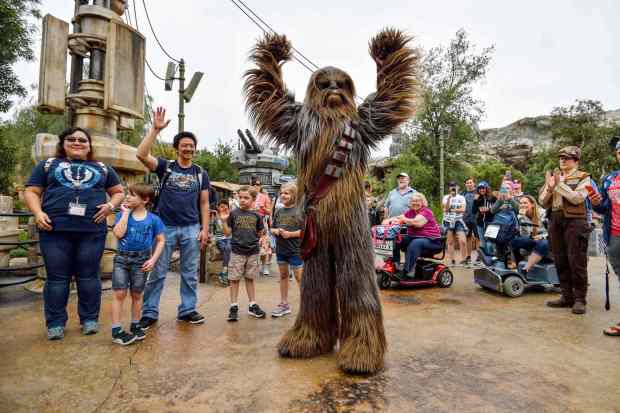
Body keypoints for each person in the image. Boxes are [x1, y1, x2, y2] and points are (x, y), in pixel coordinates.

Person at [24, 127, 124, 340]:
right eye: (72, 139)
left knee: (89, 276)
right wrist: (38, 212)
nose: (77, 142)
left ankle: (89, 319)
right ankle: (55, 323)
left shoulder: (102, 167)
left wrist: (110, 206)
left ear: (89, 146)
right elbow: (32, 191)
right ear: (63, 144)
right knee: (57, 278)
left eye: (82, 140)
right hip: (54, 230)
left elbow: (118, 192)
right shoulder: (48, 165)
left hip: (91, 231)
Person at [135, 107, 210, 329]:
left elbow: (205, 203)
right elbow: (140, 154)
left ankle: (187, 310)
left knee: (189, 273)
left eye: (192, 146)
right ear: (176, 148)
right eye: (184, 145)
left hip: (191, 228)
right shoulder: (165, 167)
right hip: (164, 227)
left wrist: (204, 229)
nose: (188, 148)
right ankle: (149, 312)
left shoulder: (200, 173)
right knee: (157, 272)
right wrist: (155, 130)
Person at [539, 146, 592, 315]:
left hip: (575, 221)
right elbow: (541, 201)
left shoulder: (584, 177)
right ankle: (566, 296)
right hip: (555, 219)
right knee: (560, 259)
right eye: (561, 157)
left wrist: (559, 185)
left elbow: (577, 198)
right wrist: (550, 187)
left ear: (576, 161)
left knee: (576, 261)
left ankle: (579, 299)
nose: (562, 160)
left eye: (567, 158)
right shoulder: (554, 176)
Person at [110, 184, 165, 345]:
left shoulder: (154, 219)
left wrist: (153, 259)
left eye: (132, 195)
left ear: (145, 200)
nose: (127, 197)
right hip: (122, 259)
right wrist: (126, 214)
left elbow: (161, 240)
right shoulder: (121, 215)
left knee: (137, 294)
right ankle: (116, 330)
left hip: (141, 260)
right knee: (119, 293)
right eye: (127, 194)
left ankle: (135, 324)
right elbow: (118, 234)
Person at [220, 186, 267, 321]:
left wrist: (262, 238)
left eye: (246, 198)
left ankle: (252, 305)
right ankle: (233, 306)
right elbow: (227, 233)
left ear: (253, 199)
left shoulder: (257, 215)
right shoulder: (234, 214)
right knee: (234, 279)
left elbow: (260, 233)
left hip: (253, 252)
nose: (242, 200)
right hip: (237, 252)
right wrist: (223, 221)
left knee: (250, 278)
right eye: (240, 197)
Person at [589, 139, 620, 335]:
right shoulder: (610, 179)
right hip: (615, 235)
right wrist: (595, 202)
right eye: (619, 152)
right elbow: (603, 207)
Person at [270, 183, 304, 317]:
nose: (283, 195)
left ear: (294, 195)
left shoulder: (299, 211)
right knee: (283, 276)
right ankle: (284, 304)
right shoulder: (279, 211)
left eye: (286, 193)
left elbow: (305, 232)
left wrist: (291, 234)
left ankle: (306, 305)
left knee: (299, 278)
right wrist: (276, 231)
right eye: (282, 193)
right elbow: (271, 228)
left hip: (295, 250)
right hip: (281, 250)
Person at [391, 193, 442, 277]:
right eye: (413, 201)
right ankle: (395, 264)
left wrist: (404, 219)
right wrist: (387, 220)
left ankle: (407, 271)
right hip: (414, 238)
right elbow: (399, 217)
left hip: (432, 241)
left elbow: (417, 223)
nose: (415, 203)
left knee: (415, 243)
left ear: (422, 202)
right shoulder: (411, 212)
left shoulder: (426, 212)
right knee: (397, 238)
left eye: (417, 201)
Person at [511, 195, 549, 274]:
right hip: (532, 239)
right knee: (514, 241)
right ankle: (518, 265)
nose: (522, 205)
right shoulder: (521, 216)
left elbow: (552, 231)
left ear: (532, 204)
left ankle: (526, 268)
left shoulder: (542, 213)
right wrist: (522, 218)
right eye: (521, 203)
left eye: (525, 203)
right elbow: (524, 235)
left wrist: (541, 236)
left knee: (543, 243)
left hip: (546, 239)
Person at [442, 181, 467, 265]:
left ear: (458, 187)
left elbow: (463, 210)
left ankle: (464, 259)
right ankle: (452, 260)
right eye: (451, 186)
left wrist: (451, 210)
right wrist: (449, 199)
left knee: (462, 241)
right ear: (449, 188)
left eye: (454, 186)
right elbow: (445, 208)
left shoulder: (461, 197)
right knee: (450, 242)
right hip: (448, 221)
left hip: (458, 221)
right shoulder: (446, 197)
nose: (453, 187)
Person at [252, 178, 273, 276]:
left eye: (258, 184)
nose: (256, 186)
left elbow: (269, 211)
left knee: (264, 245)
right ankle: (253, 266)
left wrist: (263, 208)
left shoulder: (265, 197)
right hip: (250, 223)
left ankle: (264, 267)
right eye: (254, 184)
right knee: (251, 245)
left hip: (262, 222)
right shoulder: (249, 196)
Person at [212, 199, 232, 286]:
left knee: (228, 248)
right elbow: (213, 230)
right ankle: (225, 273)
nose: (223, 208)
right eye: (221, 206)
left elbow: (230, 232)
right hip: (219, 239)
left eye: (225, 206)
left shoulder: (231, 217)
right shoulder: (215, 217)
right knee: (225, 248)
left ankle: (224, 272)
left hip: (230, 238)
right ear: (218, 208)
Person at [472, 181, 497, 253]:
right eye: (480, 188)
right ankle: (486, 260)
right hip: (480, 223)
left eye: (483, 188)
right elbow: (473, 211)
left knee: (490, 243)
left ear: (487, 188)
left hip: (491, 223)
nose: (482, 190)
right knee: (483, 242)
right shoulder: (478, 198)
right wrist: (475, 200)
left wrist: (488, 210)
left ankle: (493, 257)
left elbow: (497, 210)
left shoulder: (493, 198)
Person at [462, 178, 478, 263]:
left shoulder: (478, 192)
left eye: (471, 182)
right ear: (465, 184)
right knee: (468, 237)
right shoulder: (463, 194)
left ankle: (479, 256)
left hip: (476, 219)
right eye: (467, 183)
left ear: (474, 183)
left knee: (478, 237)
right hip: (466, 219)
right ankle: (468, 256)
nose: (469, 184)